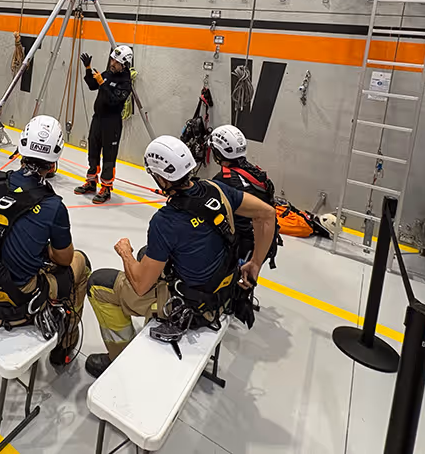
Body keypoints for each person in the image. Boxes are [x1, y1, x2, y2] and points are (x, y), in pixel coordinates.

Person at [84, 135, 277, 378]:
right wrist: (255, 263)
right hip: (223, 293)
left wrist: (125, 253)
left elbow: (141, 286)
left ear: (162, 178)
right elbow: (267, 214)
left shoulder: (165, 221)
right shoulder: (217, 189)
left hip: (193, 308)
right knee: (148, 254)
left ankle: (119, 358)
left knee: (99, 284)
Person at [0, 115, 91, 368]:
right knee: (80, 263)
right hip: (15, 302)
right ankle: (65, 345)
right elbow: (64, 258)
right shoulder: (53, 206)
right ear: (55, 158)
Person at [209, 124, 282, 267]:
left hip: (240, 248)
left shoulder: (223, 180)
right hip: (262, 242)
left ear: (217, 152)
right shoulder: (255, 173)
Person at [74, 44, 134, 205]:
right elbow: (92, 85)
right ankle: (91, 182)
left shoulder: (125, 83)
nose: (112, 63)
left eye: (116, 62)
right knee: (93, 150)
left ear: (124, 64)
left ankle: (106, 188)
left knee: (109, 156)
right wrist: (88, 69)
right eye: (112, 60)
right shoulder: (108, 74)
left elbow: (114, 101)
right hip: (98, 119)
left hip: (112, 123)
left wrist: (103, 84)